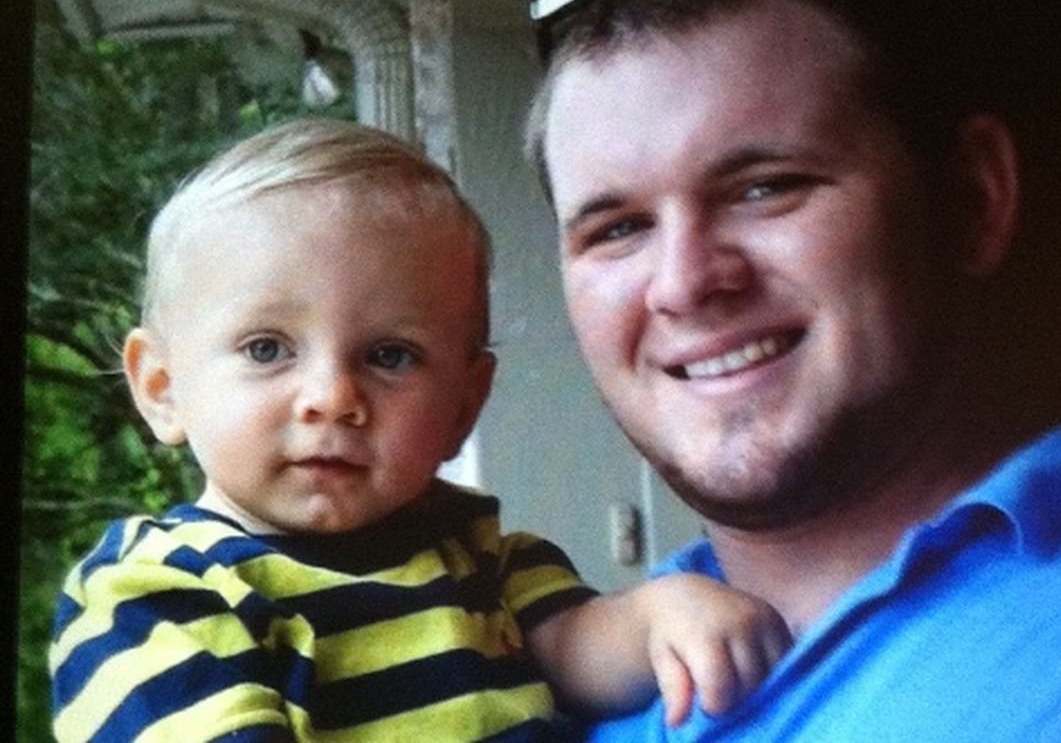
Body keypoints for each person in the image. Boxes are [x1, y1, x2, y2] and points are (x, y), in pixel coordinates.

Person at [525, 0, 1061, 740]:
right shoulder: (541, 693)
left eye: (766, 187)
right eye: (617, 229)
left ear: (974, 200)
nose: (684, 284)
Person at [48, 119, 793, 742]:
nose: (333, 398)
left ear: (464, 406)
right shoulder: (156, 594)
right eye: (266, 348)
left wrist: (660, 616)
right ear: (162, 388)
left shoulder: (486, 560)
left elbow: (579, 650)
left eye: (390, 356)